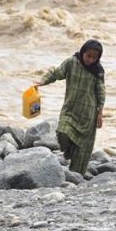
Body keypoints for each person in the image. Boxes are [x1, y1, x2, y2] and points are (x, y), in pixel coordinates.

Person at [35, 39, 106, 175]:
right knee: (62, 133)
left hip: (88, 115)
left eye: (94, 57)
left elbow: (101, 93)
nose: (90, 60)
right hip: (70, 110)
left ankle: (75, 182)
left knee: (79, 162)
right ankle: (68, 150)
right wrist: (43, 81)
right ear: (82, 51)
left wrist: (100, 113)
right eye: (88, 55)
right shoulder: (71, 62)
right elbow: (57, 73)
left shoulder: (98, 72)